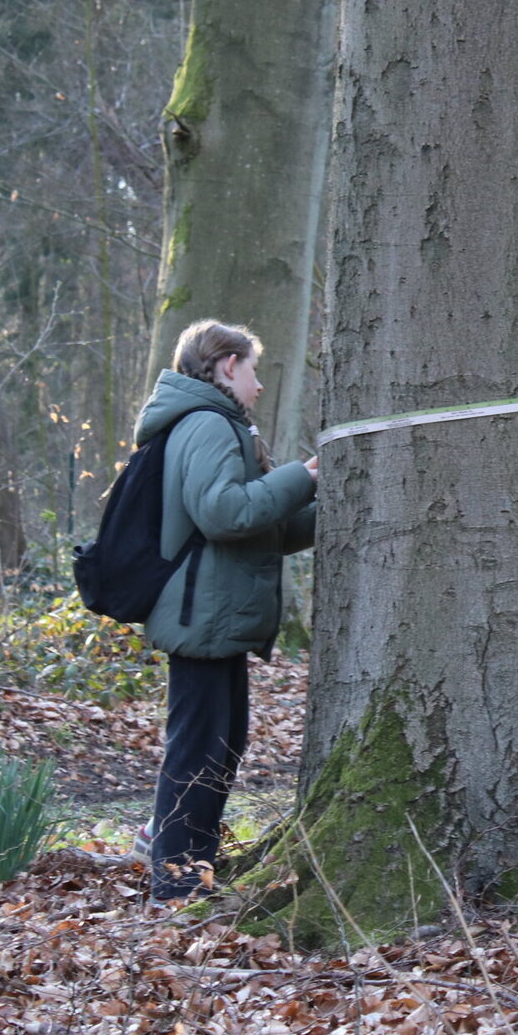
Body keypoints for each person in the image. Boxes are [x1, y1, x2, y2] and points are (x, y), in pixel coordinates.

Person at [134, 319, 319, 901]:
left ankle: (186, 862)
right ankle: (176, 880)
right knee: (200, 748)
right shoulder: (207, 423)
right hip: (202, 616)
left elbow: (262, 528)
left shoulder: (214, 423)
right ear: (229, 365)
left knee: (219, 744)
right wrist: (300, 477)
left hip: (213, 615)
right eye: (254, 371)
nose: (259, 385)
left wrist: (326, 499)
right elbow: (224, 513)